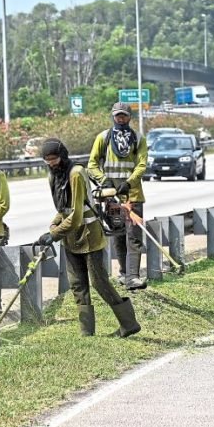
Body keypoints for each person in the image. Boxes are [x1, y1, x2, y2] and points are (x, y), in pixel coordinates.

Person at [38, 138, 140, 338]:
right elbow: (62, 210)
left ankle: (129, 324)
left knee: (99, 283)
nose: (52, 163)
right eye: (47, 160)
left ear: (63, 155)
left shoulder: (76, 173)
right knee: (77, 284)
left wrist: (55, 234)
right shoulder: (53, 176)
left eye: (54, 158)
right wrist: (53, 226)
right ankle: (87, 332)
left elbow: (76, 216)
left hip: (89, 235)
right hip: (71, 238)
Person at [87, 102, 148, 290]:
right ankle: (123, 274)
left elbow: (142, 165)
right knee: (118, 235)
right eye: (118, 115)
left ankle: (133, 277)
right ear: (113, 116)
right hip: (111, 198)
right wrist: (104, 181)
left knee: (134, 237)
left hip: (132, 196)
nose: (121, 118)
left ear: (130, 117)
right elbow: (91, 164)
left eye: (124, 116)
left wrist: (128, 183)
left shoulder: (138, 139)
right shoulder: (103, 138)